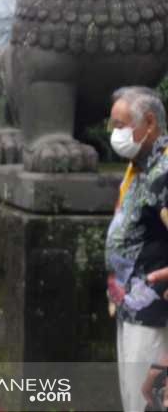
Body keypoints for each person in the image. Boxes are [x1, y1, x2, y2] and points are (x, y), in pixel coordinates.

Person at [102, 86, 168, 412]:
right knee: (132, 400)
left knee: (146, 402)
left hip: (153, 315)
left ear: (150, 123)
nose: (115, 134)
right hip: (129, 306)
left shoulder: (164, 173)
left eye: (121, 125)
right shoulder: (139, 168)